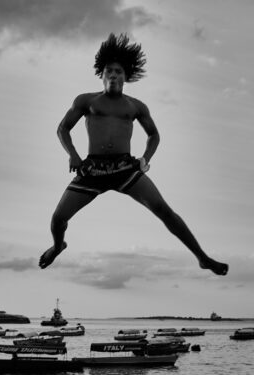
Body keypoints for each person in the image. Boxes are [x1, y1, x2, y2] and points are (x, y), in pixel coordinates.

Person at [39, 33, 228, 276]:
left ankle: (203, 258)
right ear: (102, 74)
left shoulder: (135, 106)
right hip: (92, 170)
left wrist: (145, 159)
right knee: (57, 219)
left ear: (126, 76)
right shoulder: (86, 100)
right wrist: (73, 155)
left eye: (119, 71)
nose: (114, 75)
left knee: (164, 210)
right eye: (109, 71)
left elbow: (154, 135)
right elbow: (62, 129)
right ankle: (57, 246)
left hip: (125, 169)